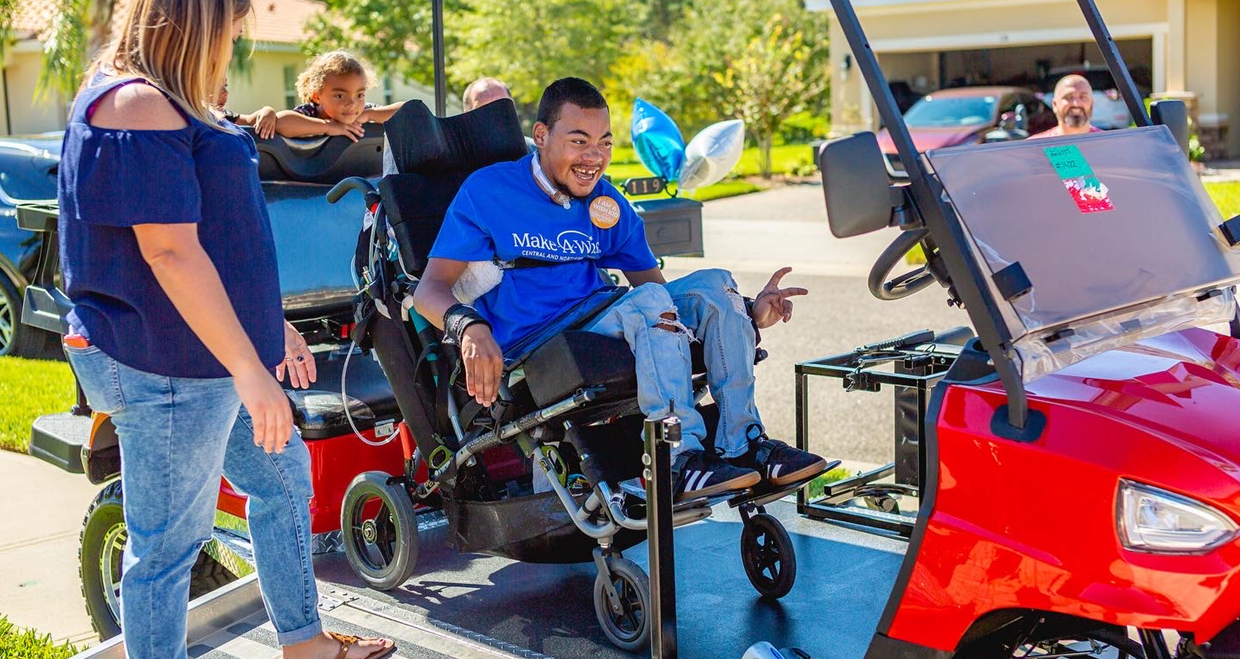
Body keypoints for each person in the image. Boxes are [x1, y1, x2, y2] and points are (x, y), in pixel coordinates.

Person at [57, 1, 394, 658]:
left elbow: (220, 239)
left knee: (281, 479)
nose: (237, 39)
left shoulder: (174, 103)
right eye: (232, 26)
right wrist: (250, 368)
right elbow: (171, 254)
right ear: (194, 22)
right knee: (165, 552)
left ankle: (303, 641)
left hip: (210, 354)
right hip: (168, 364)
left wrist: (273, 333)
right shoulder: (138, 105)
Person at [412, 77, 830, 502]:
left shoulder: (606, 202)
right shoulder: (489, 191)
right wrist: (470, 328)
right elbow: (429, 289)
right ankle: (677, 458)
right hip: (536, 342)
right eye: (579, 141)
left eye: (605, 143)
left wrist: (745, 312)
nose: (595, 157)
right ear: (541, 136)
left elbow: (662, 298)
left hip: (604, 315)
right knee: (646, 303)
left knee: (715, 284)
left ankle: (744, 443)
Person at [276, 50, 403, 141]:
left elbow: (405, 112)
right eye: (340, 96)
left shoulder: (362, 112)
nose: (352, 103)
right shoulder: (311, 113)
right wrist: (328, 126)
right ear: (317, 96)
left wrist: (369, 114)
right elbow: (280, 122)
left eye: (360, 95)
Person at [461, 76, 538, 153]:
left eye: (502, 106)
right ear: (466, 115)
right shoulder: (453, 159)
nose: (494, 115)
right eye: (483, 109)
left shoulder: (537, 153)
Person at [1030, 74, 1104, 139]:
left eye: (1083, 97)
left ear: (1092, 104)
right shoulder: (1035, 147)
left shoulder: (1110, 144)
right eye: (1069, 97)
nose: (1076, 104)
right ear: (1055, 105)